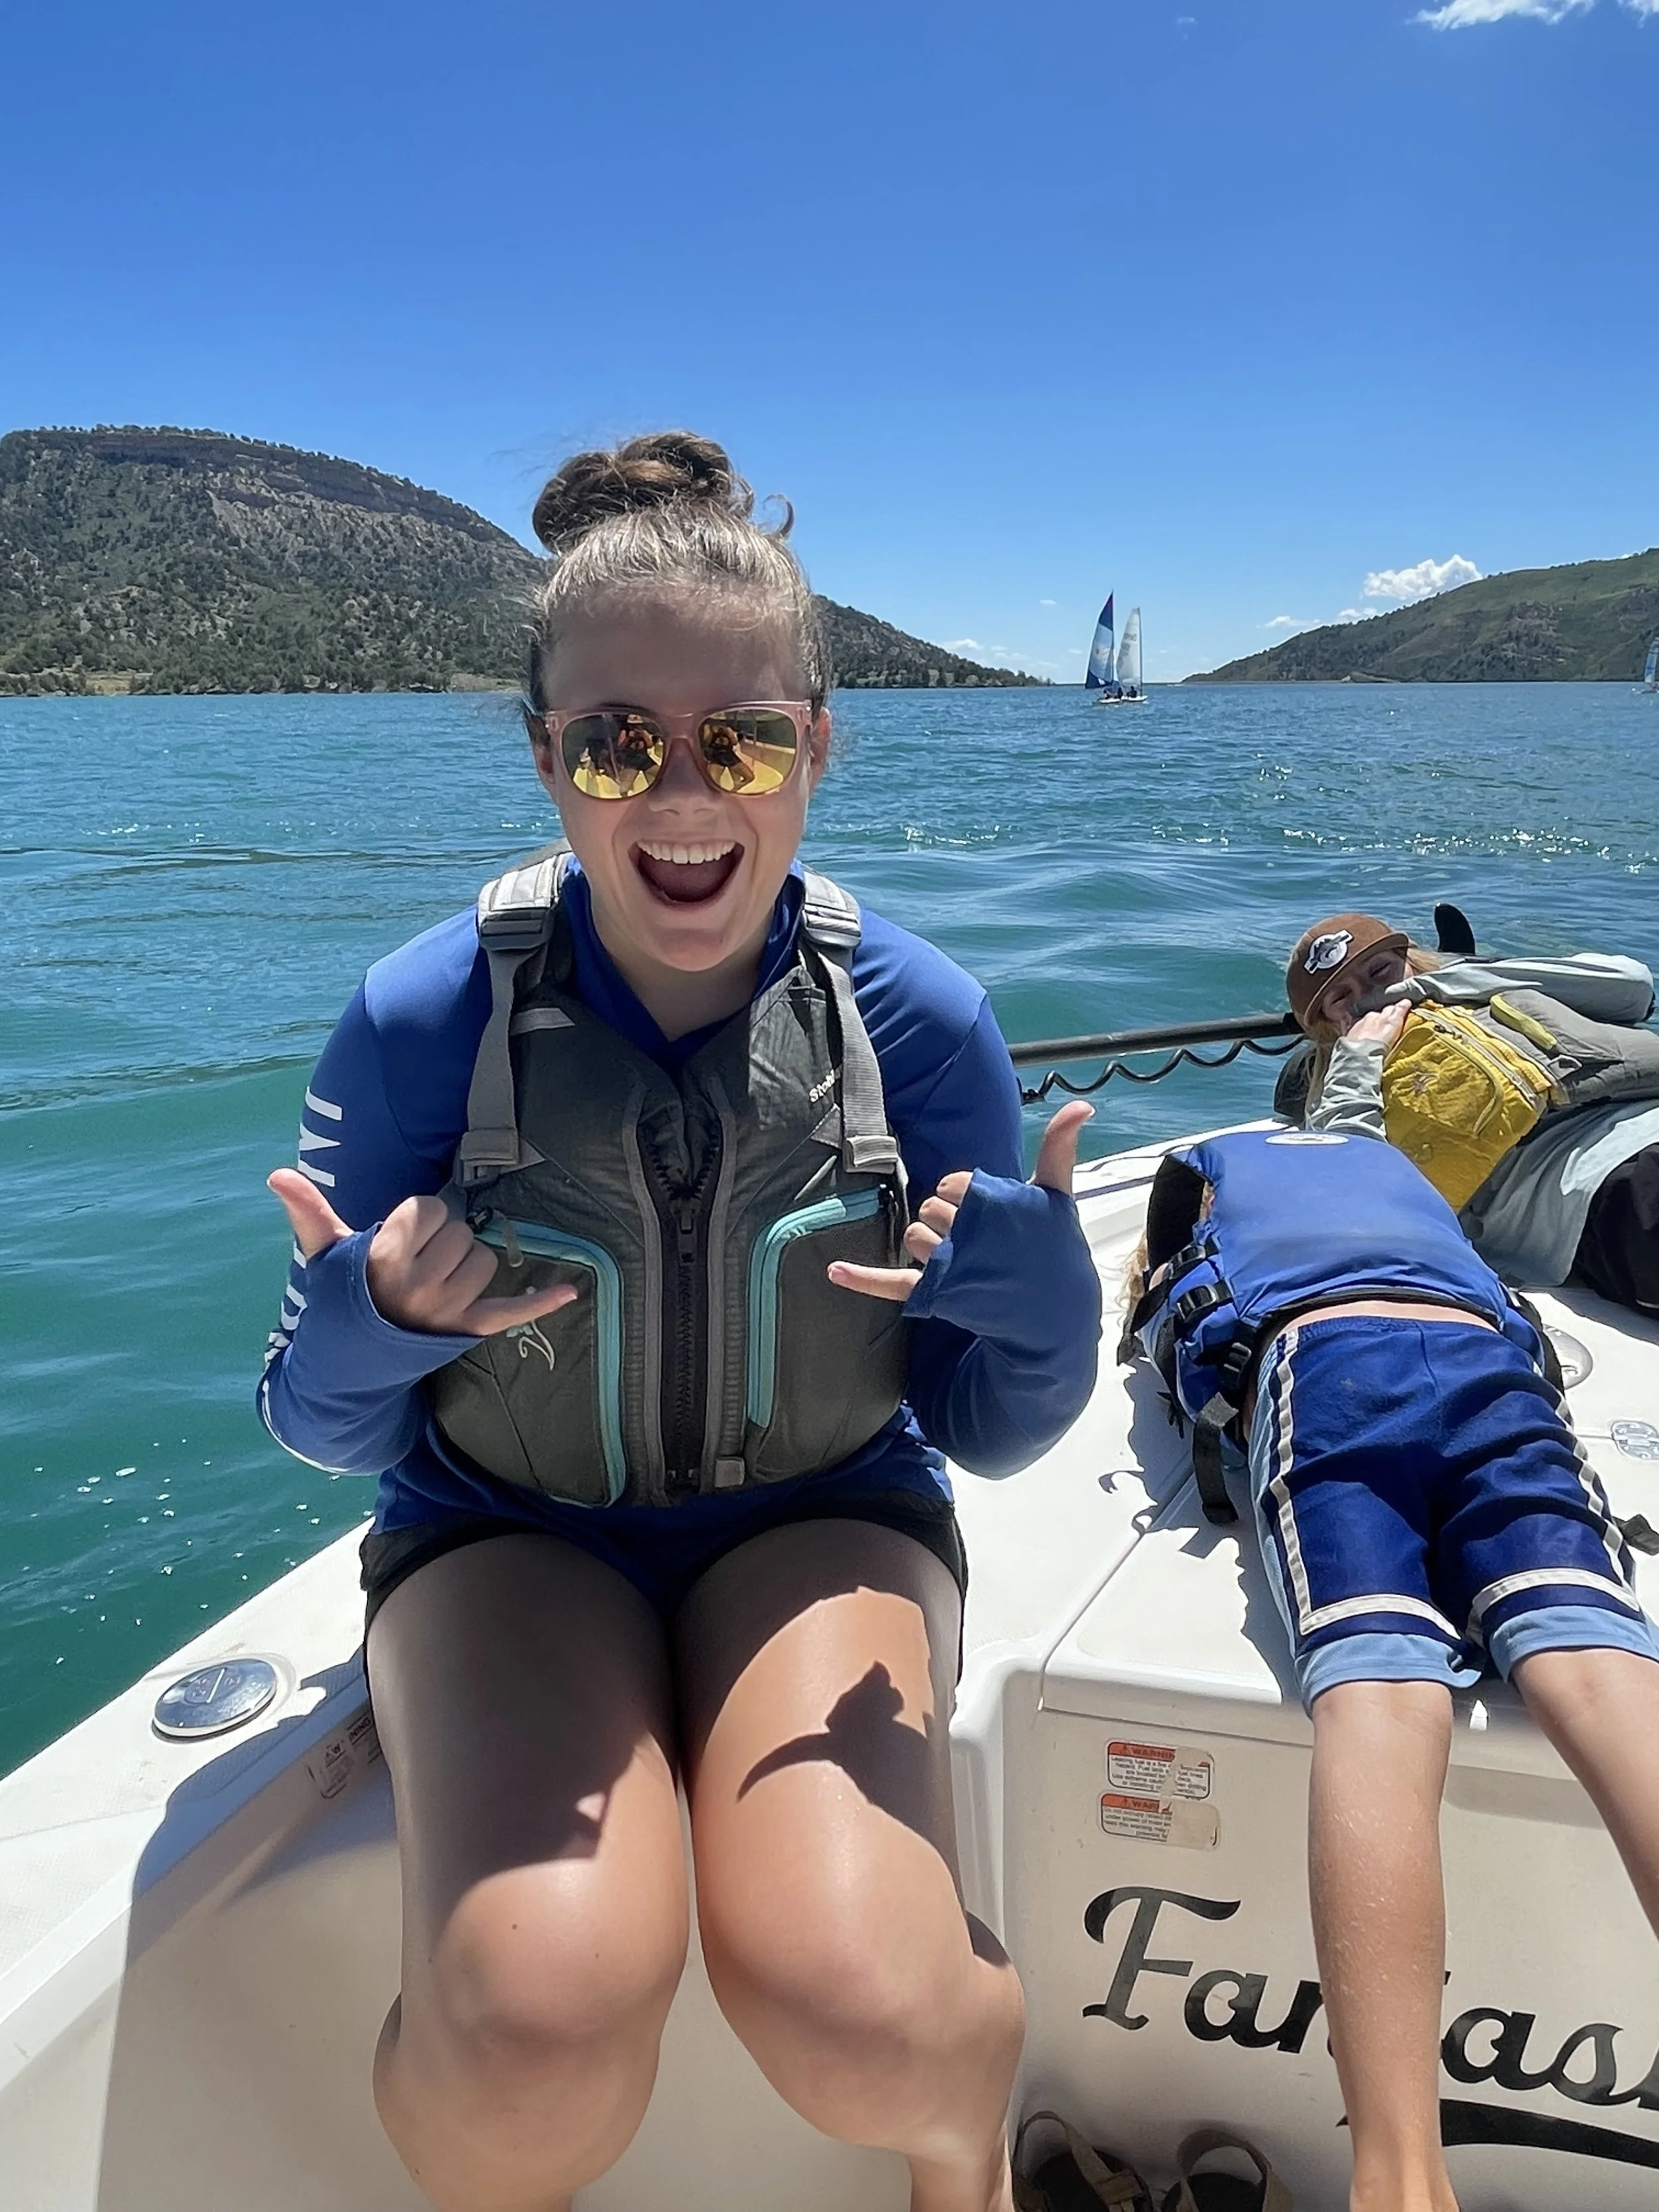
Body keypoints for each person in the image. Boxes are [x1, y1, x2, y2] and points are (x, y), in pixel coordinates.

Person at [258, 430, 1103, 2212]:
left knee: (862, 2000)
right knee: (531, 2018)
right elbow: (318, 1424)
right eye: (617, 741)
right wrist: (372, 1317)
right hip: (502, 1534)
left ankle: (967, 2161)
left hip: (824, 1516)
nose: (682, 794)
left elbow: (988, 1426)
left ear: (816, 747)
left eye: (745, 737)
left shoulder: (916, 1025)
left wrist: (1042, 1311)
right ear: (546, 759)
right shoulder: (427, 1018)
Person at [1121, 1128, 1659, 2212]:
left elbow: (1155, 1303)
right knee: (1597, 1669)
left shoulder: (1202, 1167)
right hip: (1489, 1361)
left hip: (1327, 1360)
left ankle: (1402, 2181)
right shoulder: (1408, 1181)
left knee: (1381, 1686)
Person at [1283, 911, 1659, 1314]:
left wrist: (1444, 981)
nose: (1369, 996)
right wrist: (1358, 1055)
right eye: (1342, 998)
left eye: (1381, 971)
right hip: (1606, 1183)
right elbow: (1354, 1195)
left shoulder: (1474, 990)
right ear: (1325, 1028)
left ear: (1409, 961)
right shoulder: (1351, 1088)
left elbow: (1632, 987)